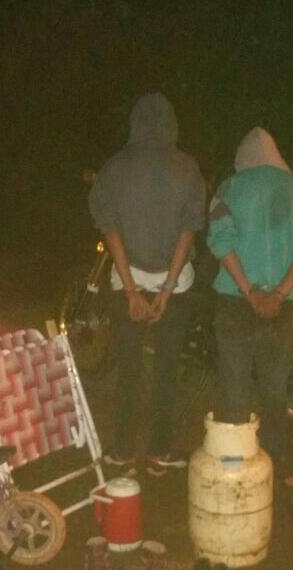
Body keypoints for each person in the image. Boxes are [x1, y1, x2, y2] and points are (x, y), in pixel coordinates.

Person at [88, 92, 206, 477]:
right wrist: (167, 290)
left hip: (128, 281)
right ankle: (159, 451)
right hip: (177, 285)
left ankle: (123, 451)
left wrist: (132, 291)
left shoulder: (115, 168)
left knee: (128, 367)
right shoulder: (187, 168)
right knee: (166, 368)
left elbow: (110, 229)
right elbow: (188, 231)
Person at [207, 127, 293, 469]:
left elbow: (220, 242)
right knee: (275, 388)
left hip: (235, 302)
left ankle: (233, 464)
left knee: (234, 386)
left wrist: (249, 291)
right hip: (281, 307)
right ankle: (272, 464)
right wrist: (280, 292)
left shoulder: (228, 189)